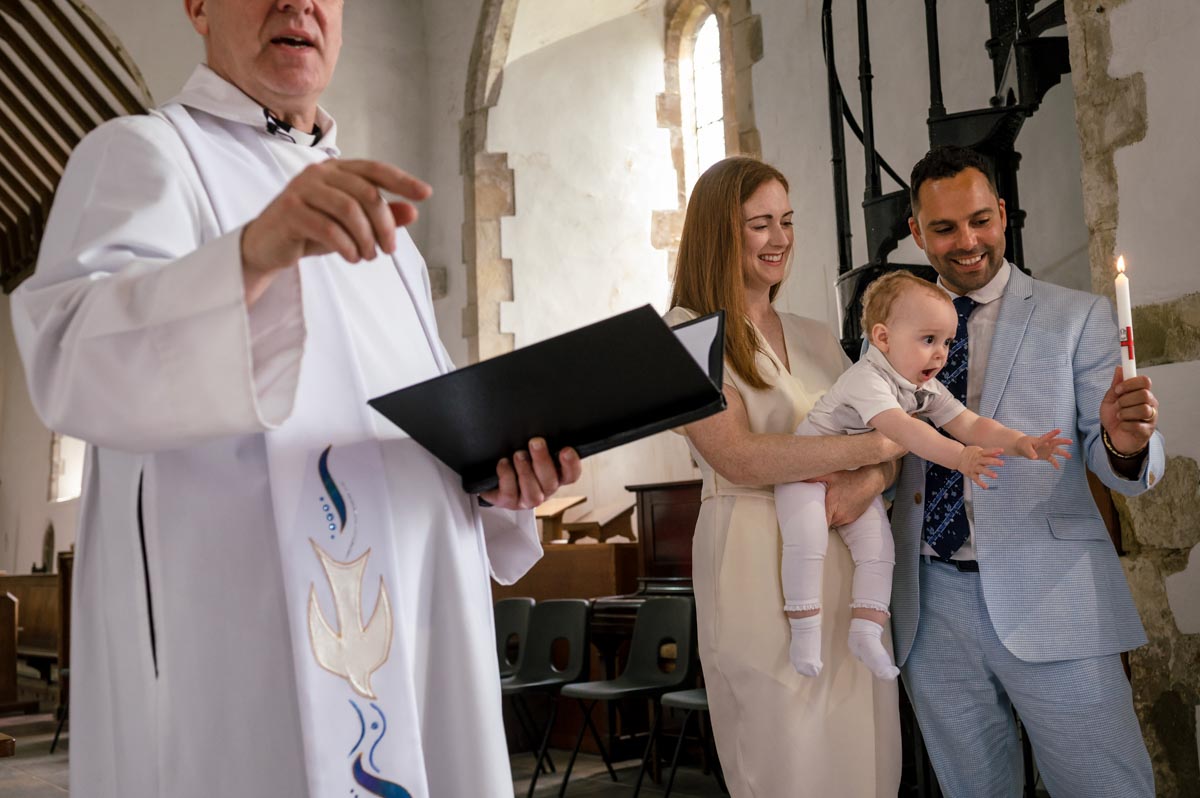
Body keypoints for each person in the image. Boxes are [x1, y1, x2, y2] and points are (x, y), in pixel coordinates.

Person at [11, 1, 581, 796]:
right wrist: (248, 257)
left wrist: (497, 480)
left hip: (417, 643)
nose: (298, 3)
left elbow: (419, 435)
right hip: (247, 666)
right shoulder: (142, 155)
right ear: (199, 6)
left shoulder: (390, 229)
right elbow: (72, 359)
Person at [891, 145, 1164, 798]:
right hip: (930, 609)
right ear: (916, 233)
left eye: (981, 220)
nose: (968, 242)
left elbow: (1118, 466)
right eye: (946, 228)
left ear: (1004, 213)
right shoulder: (889, 332)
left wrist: (1124, 443)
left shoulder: (1077, 317)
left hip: (1055, 599)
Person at [665, 156, 904, 797]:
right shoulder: (685, 334)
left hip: (844, 550)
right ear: (720, 232)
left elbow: (889, 437)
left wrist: (872, 476)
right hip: (749, 549)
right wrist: (870, 449)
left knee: (862, 746)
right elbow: (738, 456)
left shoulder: (819, 334)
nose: (781, 239)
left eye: (788, 221)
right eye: (760, 224)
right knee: (785, 750)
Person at [775, 271, 1070, 681]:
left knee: (880, 551)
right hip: (806, 473)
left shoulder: (919, 386)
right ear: (882, 338)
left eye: (947, 342)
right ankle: (804, 634)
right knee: (807, 542)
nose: (941, 355)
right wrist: (961, 458)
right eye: (928, 340)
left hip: (850, 476)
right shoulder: (867, 379)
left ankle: (866, 631)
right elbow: (905, 431)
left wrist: (1022, 443)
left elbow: (970, 423)